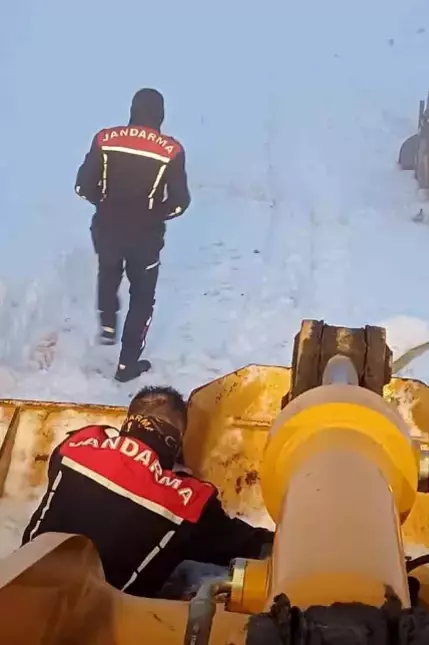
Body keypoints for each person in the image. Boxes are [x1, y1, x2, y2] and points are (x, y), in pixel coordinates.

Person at [22, 385, 273, 598]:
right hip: (87, 622)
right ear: (175, 442)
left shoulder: (74, 445)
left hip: (18, 584)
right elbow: (243, 544)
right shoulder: (186, 501)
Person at [75, 88, 191, 382]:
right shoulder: (171, 150)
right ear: (161, 115)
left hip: (106, 228)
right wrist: (157, 213)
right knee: (142, 298)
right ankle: (127, 365)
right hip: (145, 237)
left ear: (132, 111)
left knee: (109, 268)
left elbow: (82, 186)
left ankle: (107, 322)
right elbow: (180, 201)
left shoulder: (105, 139)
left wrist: (102, 202)